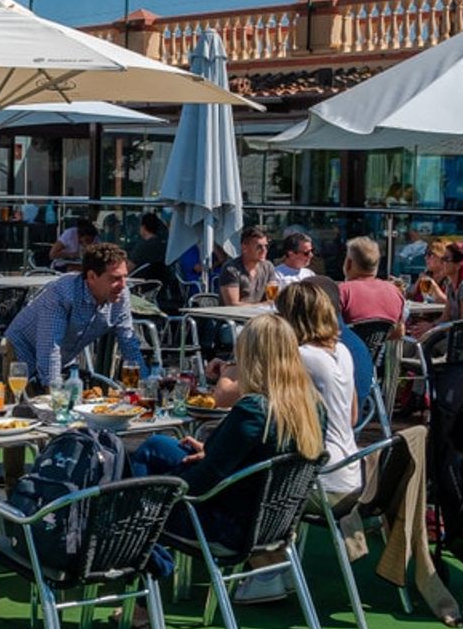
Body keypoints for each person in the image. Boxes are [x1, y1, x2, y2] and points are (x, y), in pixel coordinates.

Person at [129, 314, 327, 555]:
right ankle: (139, 536)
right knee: (159, 445)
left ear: (249, 357)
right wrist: (211, 452)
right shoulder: (313, 406)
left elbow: (202, 483)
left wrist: (161, 494)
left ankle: (134, 535)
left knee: (149, 457)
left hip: (225, 526)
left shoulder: (254, 409)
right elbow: (259, 455)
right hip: (273, 521)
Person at [4, 242, 146, 392]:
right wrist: (56, 395)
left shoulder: (121, 296)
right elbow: (50, 348)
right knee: (22, 408)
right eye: (114, 278)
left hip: (62, 356)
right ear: (91, 276)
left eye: (125, 277)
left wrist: (144, 388)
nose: (123, 285)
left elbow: (129, 347)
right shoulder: (63, 293)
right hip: (22, 350)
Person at [276, 279, 361, 498]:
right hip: (352, 474)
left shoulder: (301, 356)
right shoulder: (343, 351)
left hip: (320, 480)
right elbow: (352, 417)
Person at [337, 236, 406, 334]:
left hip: (348, 348)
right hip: (378, 348)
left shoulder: (342, 291)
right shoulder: (394, 292)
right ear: (376, 264)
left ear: (348, 263)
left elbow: (326, 329)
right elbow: (399, 333)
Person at [215, 226, 275, 305]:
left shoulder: (268, 266)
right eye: (259, 247)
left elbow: (272, 299)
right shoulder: (231, 269)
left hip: (260, 315)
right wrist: (262, 305)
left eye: (266, 246)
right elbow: (232, 304)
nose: (264, 250)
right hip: (234, 316)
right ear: (244, 247)